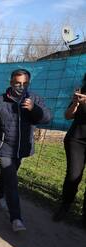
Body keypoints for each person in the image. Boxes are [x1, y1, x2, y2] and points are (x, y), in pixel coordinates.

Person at [0, 69, 51, 232]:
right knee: (12, 182)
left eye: (25, 83)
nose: (21, 86)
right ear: (11, 82)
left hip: (21, 148)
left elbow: (47, 118)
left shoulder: (34, 99)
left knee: (8, 174)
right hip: (4, 148)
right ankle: (16, 219)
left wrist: (34, 109)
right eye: (17, 83)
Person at [53, 76, 86, 226]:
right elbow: (67, 116)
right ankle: (65, 206)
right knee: (73, 175)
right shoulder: (83, 91)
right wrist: (75, 103)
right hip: (76, 139)